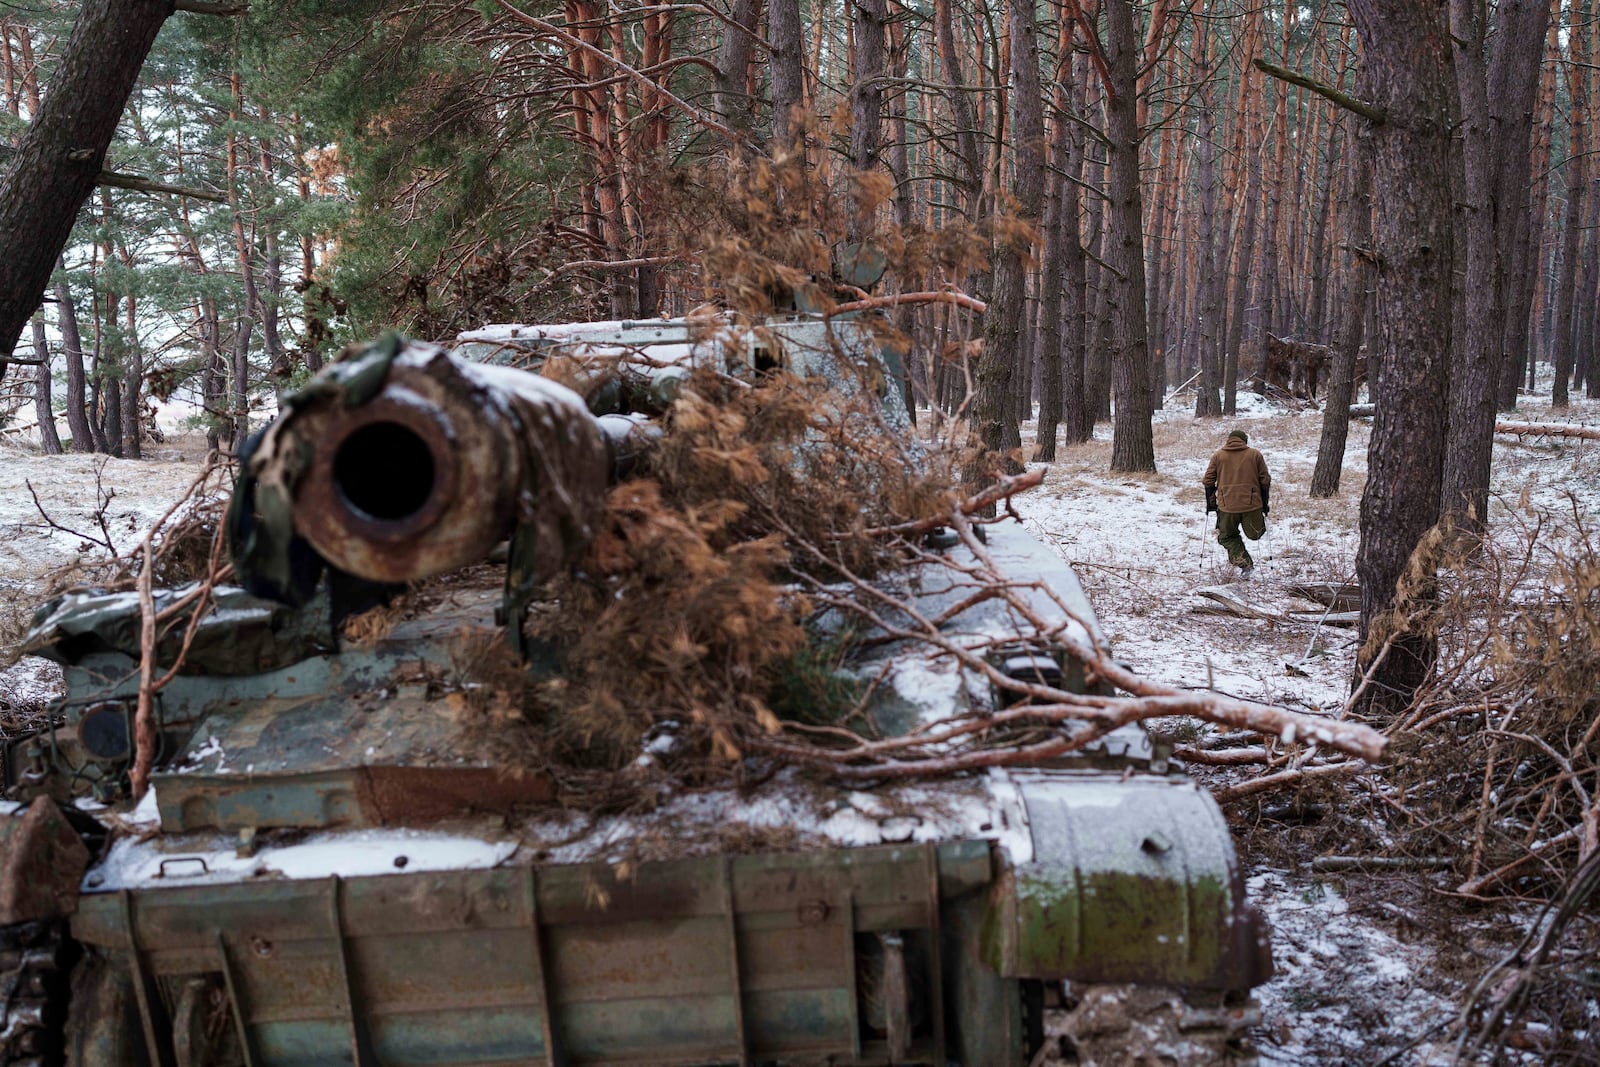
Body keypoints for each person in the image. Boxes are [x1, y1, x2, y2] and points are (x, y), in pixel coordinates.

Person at [1202, 429, 1271, 576]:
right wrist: (1264, 504)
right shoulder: (1255, 454)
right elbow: (1265, 480)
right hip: (1252, 505)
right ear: (1244, 440)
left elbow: (1208, 481)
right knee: (1255, 534)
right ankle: (1247, 562)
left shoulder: (1218, 456)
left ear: (1229, 440)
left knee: (1226, 536)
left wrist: (1211, 503)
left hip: (1227, 506)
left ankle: (1245, 565)